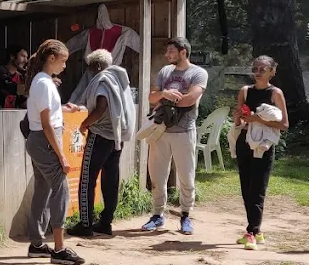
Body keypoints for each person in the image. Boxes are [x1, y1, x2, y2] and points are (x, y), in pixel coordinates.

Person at [24, 39, 85, 265]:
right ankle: (59, 249)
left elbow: (48, 114)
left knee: (43, 190)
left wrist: (64, 108)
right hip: (45, 141)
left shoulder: (43, 81)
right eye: (63, 60)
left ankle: (37, 244)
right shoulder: (43, 83)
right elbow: (46, 124)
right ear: (51, 58)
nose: (64, 65)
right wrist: (61, 156)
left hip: (41, 141)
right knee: (61, 190)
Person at [142, 37, 209, 235]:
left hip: (184, 131)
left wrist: (166, 99)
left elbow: (190, 99)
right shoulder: (165, 71)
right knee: (157, 174)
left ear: (183, 52)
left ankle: (186, 215)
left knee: (186, 175)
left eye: (171, 51)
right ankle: (157, 215)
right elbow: (152, 97)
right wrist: (164, 94)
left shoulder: (198, 73)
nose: (166, 55)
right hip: (161, 130)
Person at [70, 48, 136, 237]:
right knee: (110, 179)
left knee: (87, 179)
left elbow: (100, 107)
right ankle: (106, 222)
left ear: (98, 66)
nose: (89, 72)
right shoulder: (119, 79)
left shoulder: (103, 80)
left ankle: (86, 224)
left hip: (100, 135)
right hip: (117, 137)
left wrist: (84, 124)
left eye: (91, 67)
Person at [232, 56, 289, 250]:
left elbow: (284, 125)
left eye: (262, 69)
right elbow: (240, 123)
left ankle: (251, 231)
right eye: (255, 68)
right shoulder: (245, 91)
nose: (257, 72)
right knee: (246, 188)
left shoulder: (275, 93)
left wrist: (258, 119)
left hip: (264, 145)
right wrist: (238, 117)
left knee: (258, 188)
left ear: (272, 71)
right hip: (245, 141)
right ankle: (256, 232)